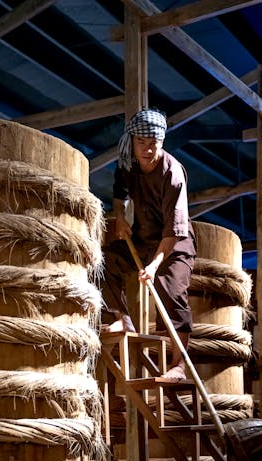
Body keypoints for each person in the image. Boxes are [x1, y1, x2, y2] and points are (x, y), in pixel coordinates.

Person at [101, 108, 196, 381]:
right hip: (143, 238)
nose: (147, 149)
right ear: (133, 141)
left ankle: (179, 365)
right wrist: (120, 217)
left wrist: (154, 266)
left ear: (162, 142)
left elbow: (174, 229)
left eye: (153, 143)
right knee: (106, 261)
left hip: (175, 243)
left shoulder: (172, 173)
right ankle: (121, 318)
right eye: (141, 143)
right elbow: (120, 194)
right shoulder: (128, 163)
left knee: (172, 291)